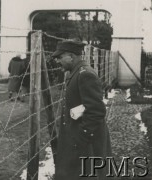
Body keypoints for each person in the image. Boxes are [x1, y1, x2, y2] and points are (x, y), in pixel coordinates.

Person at [52, 41, 112, 180]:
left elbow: (96, 110)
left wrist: (82, 135)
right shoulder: (75, 73)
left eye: (60, 57)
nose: (57, 60)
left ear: (71, 56)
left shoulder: (85, 74)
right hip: (77, 136)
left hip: (85, 139)